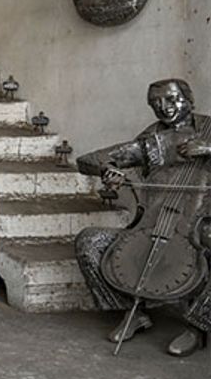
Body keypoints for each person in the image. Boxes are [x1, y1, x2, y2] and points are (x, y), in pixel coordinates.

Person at [75, 79, 211, 356]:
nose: (164, 107)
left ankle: (197, 327)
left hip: (199, 227)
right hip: (153, 224)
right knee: (89, 242)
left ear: (189, 99)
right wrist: (107, 170)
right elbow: (87, 160)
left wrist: (209, 150)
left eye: (171, 99)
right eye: (155, 103)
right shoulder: (155, 142)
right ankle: (132, 313)